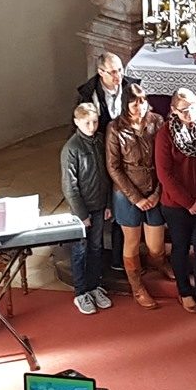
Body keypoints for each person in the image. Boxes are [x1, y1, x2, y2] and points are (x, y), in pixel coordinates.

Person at [106, 83, 171, 309]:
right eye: (134, 103)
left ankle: (159, 262)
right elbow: (114, 167)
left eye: (143, 102)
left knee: (156, 246)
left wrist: (156, 192)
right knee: (132, 242)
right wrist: (136, 198)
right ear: (125, 104)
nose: (140, 107)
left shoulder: (157, 121)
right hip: (127, 194)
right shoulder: (115, 128)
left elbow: (164, 159)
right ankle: (137, 287)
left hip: (154, 189)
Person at [155, 88, 196, 313]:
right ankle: (184, 292)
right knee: (180, 248)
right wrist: (188, 203)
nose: (190, 113)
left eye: (193, 107)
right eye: (184, 110)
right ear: (173, 110)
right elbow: (164, 174)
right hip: (176, 204)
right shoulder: (165, 134)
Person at [76, 50, 137, 273]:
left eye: (120, 70)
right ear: (100, 72)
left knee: (122, 200)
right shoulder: (88, 93)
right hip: (100, 154)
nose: (118, 76)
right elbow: (81, 125)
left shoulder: (131, 87)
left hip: (126, 153)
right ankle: (97, 258)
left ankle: (120, 257)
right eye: (112, 72)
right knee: (102, 203)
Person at [60, 103, 113, 315]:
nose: (91, 127)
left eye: (94, 122)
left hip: (100, 205)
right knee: (80, 250)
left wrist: (108, 203)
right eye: (86, 123)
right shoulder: (71, 148)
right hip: (81, 211)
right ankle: (81, 291)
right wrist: (82, 215)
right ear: (76, 122)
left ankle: (94, 286)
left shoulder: (100, 140)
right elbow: (69, 186)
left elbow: (107, 175)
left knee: (96, 248)